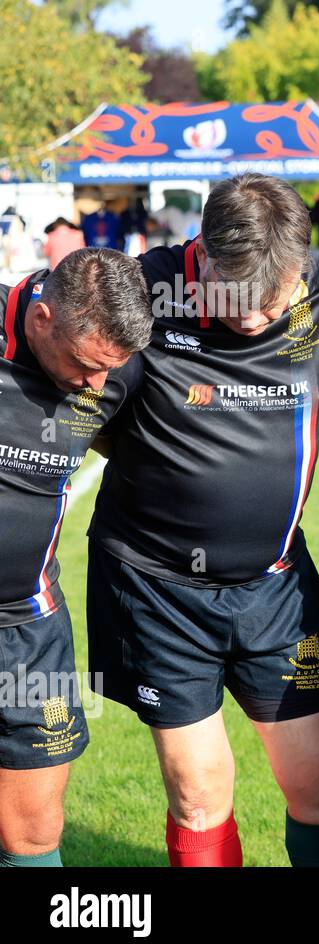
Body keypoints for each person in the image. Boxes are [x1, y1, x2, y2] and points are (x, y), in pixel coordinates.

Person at [84, 173, 319, 867]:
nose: (259, 316)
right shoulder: (144, 293)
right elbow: (79, 397)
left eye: (276, 297)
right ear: (202, 256)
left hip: (273, 588)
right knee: (200, 791)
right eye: (242, 298)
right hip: (154, 585)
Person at [0, 248, 152, 866]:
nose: (96, 385)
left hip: (29, 626)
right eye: (85, 366)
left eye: (109, 372)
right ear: (40, 320)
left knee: (33, 831)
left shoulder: (118, 371)